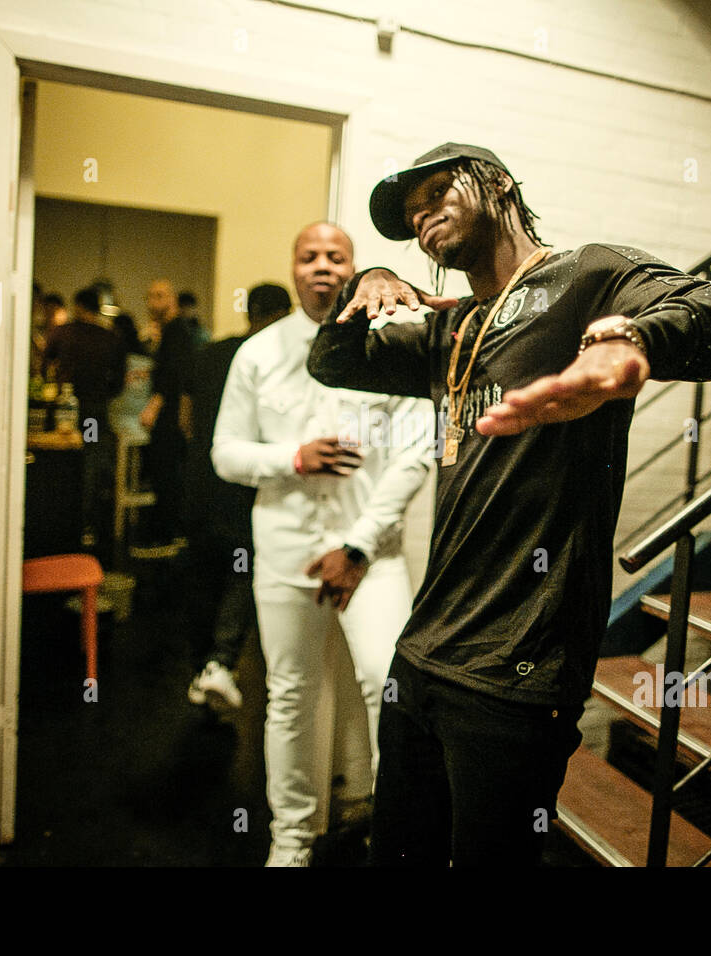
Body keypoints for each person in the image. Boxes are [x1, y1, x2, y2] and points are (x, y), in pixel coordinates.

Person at [307, 142, 711, 866]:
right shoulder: (454, 329)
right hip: (423, 655)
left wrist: (635, 339)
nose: (423, 216)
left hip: (517, 676)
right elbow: (333, 361)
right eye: (410, 215)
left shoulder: (585, 279)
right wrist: (366, 285)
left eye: (439, 191)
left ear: (497, 183)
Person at [212, 223, 435, 866]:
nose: (320, 266)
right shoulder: (257, 353)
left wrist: (360, 544)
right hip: (284, 551)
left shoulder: (391, 346)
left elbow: (417, 453)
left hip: (372, 555)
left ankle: (395, 840)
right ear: (292, 266)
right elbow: (225, 453)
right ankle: (292, 840)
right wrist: (293, 457)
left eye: (335, 257)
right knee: (290, 696)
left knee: (388, 686)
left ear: (353, 268)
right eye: (307, 255)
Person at [184, 283, 292, 712]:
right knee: (241, 570)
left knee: (201, 574)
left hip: (199, 479)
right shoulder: (273, 359)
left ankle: (201, 667)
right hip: (242, 485)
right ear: (282, 314)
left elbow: (187, 418)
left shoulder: (209, 352)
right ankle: (220, 660)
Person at [42, 286, 128, 556]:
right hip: (96, 410)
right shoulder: (110, 338)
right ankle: (89, 523)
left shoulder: (63, 332)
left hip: (65, 408)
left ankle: (63, 522)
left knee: (63, 460)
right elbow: (120, 378)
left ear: (78, 306)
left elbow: (45, 364)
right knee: (92, 460)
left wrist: (55, 386)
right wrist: (106, 394)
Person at [137, 278, 197, 553]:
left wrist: (153, 406)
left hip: (170, 414)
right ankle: (167, 534)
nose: (152, 302)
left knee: (166, 474)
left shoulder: (176, 330)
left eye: (159, 296)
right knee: (166, 472)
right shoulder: (171, 330)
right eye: (150, 295)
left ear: (171, 300)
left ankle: (166, 535)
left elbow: (175, 374)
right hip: (170, 412)